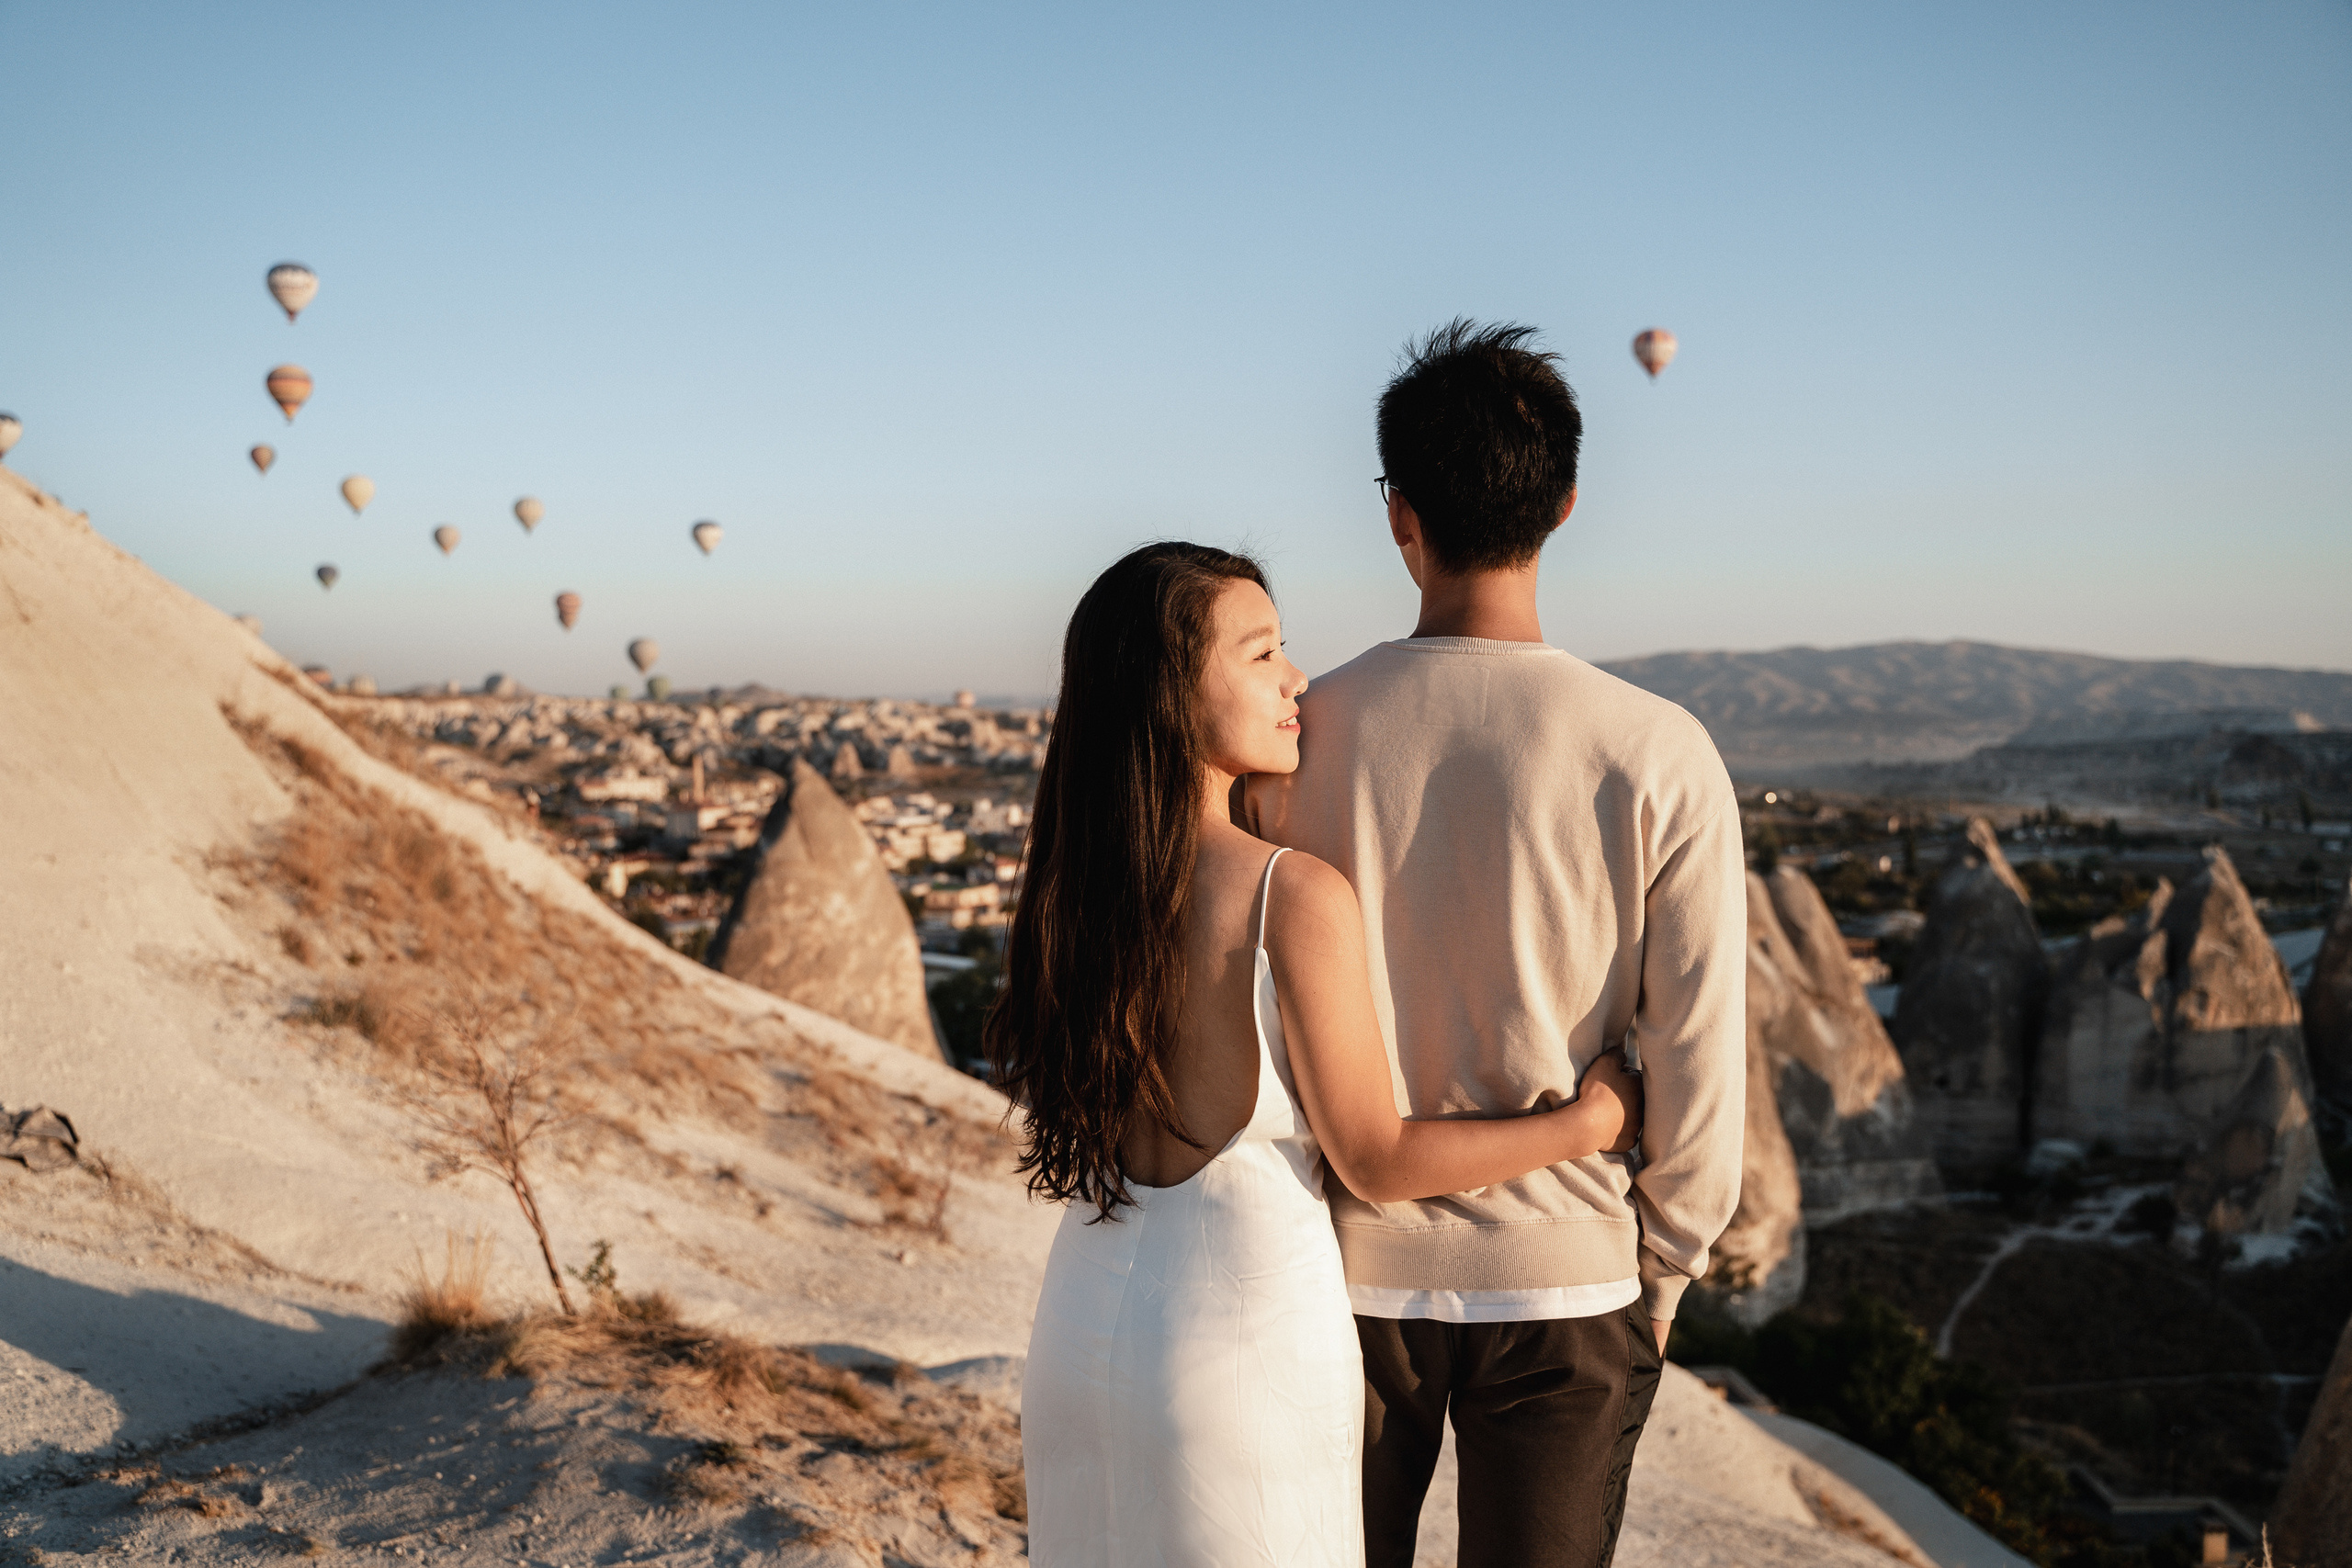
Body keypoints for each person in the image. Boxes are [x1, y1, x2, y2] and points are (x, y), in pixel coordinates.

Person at [995, 541, 1646, 1568]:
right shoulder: (1286, 893)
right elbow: (1374, 1159)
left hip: (1081, 1330)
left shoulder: (1070, 898)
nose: (1297, 677)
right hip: (1241, 1343)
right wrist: (1589, 1122)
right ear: (1173, 691)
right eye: (1262, 655)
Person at [1242, 320, 1747, 1568]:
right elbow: (1697, 1051)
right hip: (1570, 1283)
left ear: (1398, 512)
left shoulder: (1301, 732)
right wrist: (1667, 1274)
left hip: (1340, 1275)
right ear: (1567, 503)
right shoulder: (1661, 748)